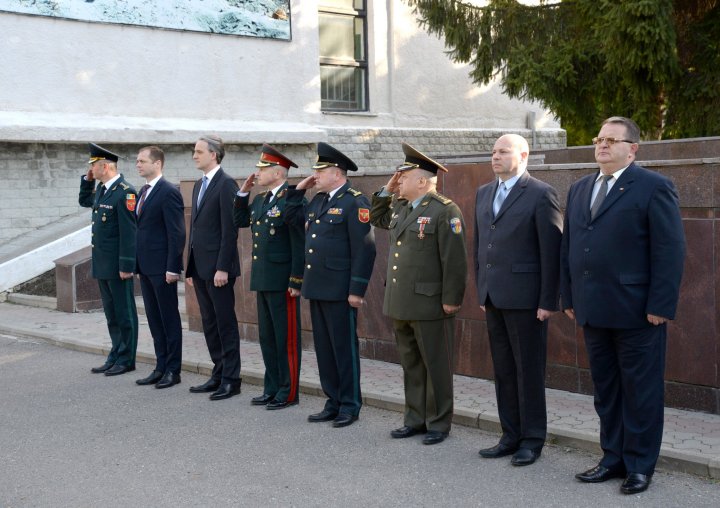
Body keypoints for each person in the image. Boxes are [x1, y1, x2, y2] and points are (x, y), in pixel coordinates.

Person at [561, 117, 685, 494]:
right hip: (593, 309)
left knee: (641, 391)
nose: (602, 145)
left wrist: (660, 304)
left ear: (632, 149)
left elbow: (670, 250)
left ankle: (640, 466)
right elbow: (569, 247)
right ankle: (611, 458)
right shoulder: (581, 188)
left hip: (637, 311)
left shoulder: (654, 187)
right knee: (607, 390)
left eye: (611, 140)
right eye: (599, 139)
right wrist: (569, 298)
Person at [369, 142, 467, 445]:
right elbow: (376, 218)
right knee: (411, 364)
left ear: (422, 181)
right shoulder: (400, 206)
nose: (399, 181)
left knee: (435, 364)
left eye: (404, 177)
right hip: (401, 301)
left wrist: (452, 299)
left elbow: (454, 260)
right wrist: (386, 190)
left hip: (429, 302)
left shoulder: (444, 210)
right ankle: (414, 418)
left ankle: (438, 423)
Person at [474, 134, 562, 465]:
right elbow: (480, 244)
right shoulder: (484, 192)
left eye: (503, 151)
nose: (495, 156)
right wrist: (481, 286)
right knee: (504, 370)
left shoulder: (540, 193)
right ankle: (509, 435)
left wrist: (547, 300)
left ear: (523, 155)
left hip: (527, 300)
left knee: (528, 371)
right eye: (493, 151)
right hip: (494, 296)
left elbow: (551, 251)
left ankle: (532, 439)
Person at [284, 142, 376, 428]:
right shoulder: (319, 201)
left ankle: (349, 404)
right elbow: (292, 221)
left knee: (343, 349)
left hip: (340, 289)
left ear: (336, 172)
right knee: (324, 348)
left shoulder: (355, 201)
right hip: (317, 286)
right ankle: (332, 401)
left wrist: (356, 290)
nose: (315, 175)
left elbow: (365, 249)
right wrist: (297, 190)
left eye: (320, 170)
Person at [233, 144, 304, 409]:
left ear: (277, 172)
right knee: (267, 338)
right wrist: (243, 192)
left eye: (262, 169)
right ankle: (271, 387)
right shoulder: (261, 199)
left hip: (283, 280)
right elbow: (239, 220)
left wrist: (296, 279)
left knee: (286, 339)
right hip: (262, 278)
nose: (257, 173)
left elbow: (299, 242)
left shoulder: (293, 198)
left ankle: (288, 391)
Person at [186, 135, 242, 401]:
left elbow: (229, 231)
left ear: (214, 155)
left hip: (219, 270)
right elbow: (197, 229)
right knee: (209, 323)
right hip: (200, 267)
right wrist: (190, 267)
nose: (194, 155)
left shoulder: (226, 184)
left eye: (199, 152)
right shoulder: (199, 184)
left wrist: (223, 268)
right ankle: (218, 373)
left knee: (224, 323)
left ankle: (231, 379)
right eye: (194, 152)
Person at [79, 143, 138, 376]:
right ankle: (116, 353)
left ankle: (126, 359)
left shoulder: (125, 192)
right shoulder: (104, 190)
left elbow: (129, 232)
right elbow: (85, 201)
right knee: (111, 314)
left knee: (124, 314)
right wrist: (87, 179)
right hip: (102, 264)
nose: (90, 168)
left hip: (117, 266)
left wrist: (126, 265)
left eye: (93, 165)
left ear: (105, 166)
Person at [134, 146, 186, 389]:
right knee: (154, 320)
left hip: (163, 269)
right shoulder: (143, 191)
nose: (138, 164)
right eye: (137, 161)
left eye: (143, 161)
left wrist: (173, 267)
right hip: (145, 267)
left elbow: (176, 233)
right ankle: (160, 366)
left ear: (157, 164)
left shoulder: (168, 192)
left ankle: (173, 370)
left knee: (168, 319)